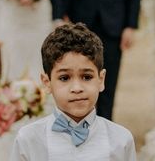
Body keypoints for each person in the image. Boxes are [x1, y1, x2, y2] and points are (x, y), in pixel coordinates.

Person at [10, 23, 137, 161]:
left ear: (101, 80)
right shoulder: (29, 140)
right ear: (47, 82)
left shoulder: (121, 140)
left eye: (87, 77)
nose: (77, 88)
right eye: (64, 78)